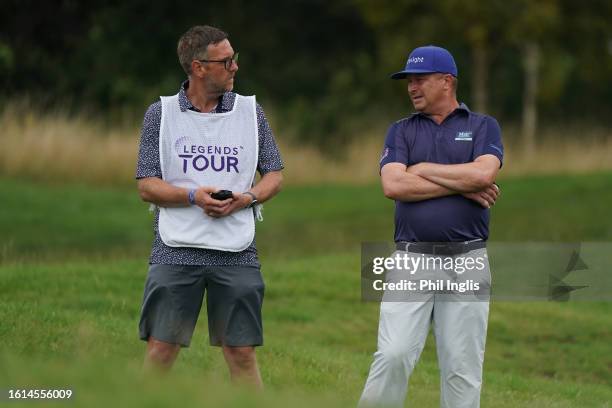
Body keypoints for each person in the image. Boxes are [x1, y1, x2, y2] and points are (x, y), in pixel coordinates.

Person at [135, 25, 283, 388]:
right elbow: (146, 184)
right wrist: (192, 196)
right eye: (226, 61)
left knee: (242, 355)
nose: (235, 67)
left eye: (235, 59)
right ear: (199, 67)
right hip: (175, 249)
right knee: (161, 351)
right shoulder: (161, 113)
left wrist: (246, 199)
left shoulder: (251, 112)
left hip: (237, 250)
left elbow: (274, 175)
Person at [359, 46, 503, 407]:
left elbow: (484, 173)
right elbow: (393, 185)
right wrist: (463, 183)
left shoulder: (482, 126)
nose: (412, 87)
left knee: (462, 369)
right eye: (409, 80)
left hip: (468, 259)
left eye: (420, 79)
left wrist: (419, 169)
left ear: (447, 81)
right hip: (412, 260)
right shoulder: (400, 131)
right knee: (393, 354)